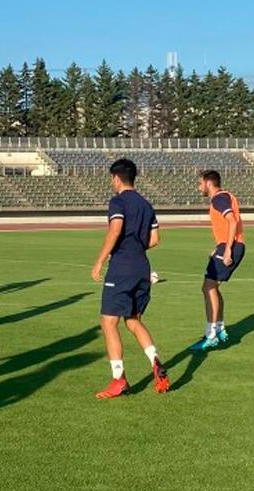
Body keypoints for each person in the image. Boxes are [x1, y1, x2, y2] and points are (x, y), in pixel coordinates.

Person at [90, 158, 170, 399]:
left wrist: (100, 261)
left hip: (122, 268)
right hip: (142, 268)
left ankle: (118, 380)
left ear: (116, 178)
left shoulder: (118, 201)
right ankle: (155, 360)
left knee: (108, 322)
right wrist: (136, 247)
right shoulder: (146, 204)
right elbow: (155, 240)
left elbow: (115, 229)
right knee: (133, 320)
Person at [189, 170, 246, 351]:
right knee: (212, 286)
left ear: (208, 183)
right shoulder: (226, 196)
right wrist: (220, 246)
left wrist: (227, 249)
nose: (199, 187)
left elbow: (232, 221)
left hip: (232, 246)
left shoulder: (218, 199)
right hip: (229, 245)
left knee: (208, 287)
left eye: (200, 183)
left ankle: (211, 334)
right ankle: (219, 329)